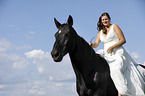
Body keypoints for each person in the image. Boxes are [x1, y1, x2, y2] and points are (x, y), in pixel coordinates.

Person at [89, 12, 145, 96]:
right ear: (101, 21)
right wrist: (92, 45)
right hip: (106, 54)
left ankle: (122, 92)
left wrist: (113, 46)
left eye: (106, 19)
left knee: (116, 68)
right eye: (103, 20)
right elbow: (96, 43)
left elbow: (123, 40)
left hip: (117, 52)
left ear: (109, 19)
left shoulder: (114, 26)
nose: (105, 21)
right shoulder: (100, 32)